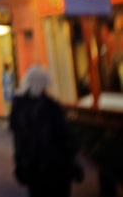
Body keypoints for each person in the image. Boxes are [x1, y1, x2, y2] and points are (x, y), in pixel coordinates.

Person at [8, 66, 83, 197]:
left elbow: (18, 142)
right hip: (56, 169)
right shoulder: (51, 107)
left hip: (32, 169)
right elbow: (64, 138)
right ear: (46, 83)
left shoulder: (19, 107)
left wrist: (20, 165)